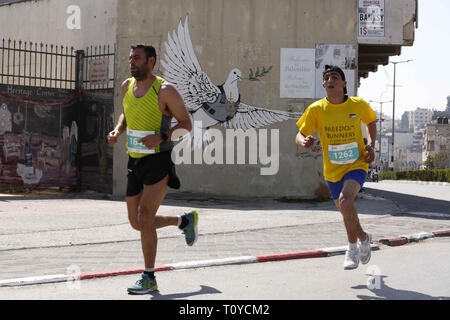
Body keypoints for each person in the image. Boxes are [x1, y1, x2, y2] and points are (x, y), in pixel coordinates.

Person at [108, 44, 196, 294]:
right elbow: (126, 114)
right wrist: (117, 130)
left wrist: (163, 136)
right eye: (130, 58)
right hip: (134, 161)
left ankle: (149, 277)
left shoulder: (164, 90)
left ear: (151, 61)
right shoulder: (127, 86)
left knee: (145, 216)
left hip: (158, 160)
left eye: (136, 58)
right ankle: (184, 221)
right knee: (137, 222)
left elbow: (186, 124)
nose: (131, 62)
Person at [295, 65, 377, 270]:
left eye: (335, 77)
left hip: (356, 164)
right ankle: (364, 239)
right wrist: (303, 141)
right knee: (346, 211)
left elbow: (371, 121)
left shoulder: (357, 104)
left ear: (343, 83)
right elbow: (299, 134)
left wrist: (371, 144)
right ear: (323, 84)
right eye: (327, 78)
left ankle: (351, 249)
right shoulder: (316, 109)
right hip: (332, 170)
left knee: (345, 200)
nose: (330, 80)